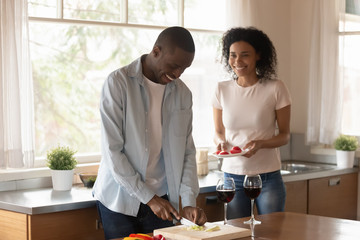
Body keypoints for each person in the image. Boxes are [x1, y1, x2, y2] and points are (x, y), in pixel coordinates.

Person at [93, 26, 207, 239]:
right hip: (118, 201)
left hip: (163, 201)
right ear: (156, 51)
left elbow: (187, 153)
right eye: (174, 66)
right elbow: (112, 152)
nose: (177, 74)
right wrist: (149, 198)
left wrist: (189, 202)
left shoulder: (183, 94)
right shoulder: (118, 84)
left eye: (184, 68)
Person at [212, 27, 291, 219]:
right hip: (232, 176)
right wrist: (220, 142)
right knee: (236, 233)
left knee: (271, 233)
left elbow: (284, 135)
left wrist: (260, 144)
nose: (237, 61)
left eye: (244, 55)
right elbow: (218, 131)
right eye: (233, 55)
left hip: (268, 177)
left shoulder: (275, 88)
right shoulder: (222, 89)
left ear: (258, 55)